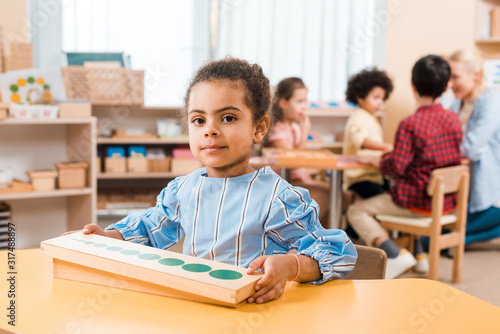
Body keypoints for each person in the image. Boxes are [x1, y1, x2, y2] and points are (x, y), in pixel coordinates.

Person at [65, 58, 357, 304]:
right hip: (199, 305)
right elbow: (147, 229)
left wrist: (291, 265)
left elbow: (338, 252)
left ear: (259, 127)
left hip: (255, 314)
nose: (210, 131)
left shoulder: (277, 197)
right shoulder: (184, 189)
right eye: (199, 120)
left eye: (228, 118)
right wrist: (107, 238)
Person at [347, 55, 462, 279]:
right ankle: (420, 260)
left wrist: (380, 161)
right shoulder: (453, 119)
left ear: (413, 86)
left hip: (416, 202)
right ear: (446, 86)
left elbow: (397, 168)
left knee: (356, 210)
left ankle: (394, 255)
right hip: (446, 203)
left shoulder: (410, 124)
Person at [448, 50, 500, 245]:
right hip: (462, 194)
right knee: (435, 233)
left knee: (429, 240)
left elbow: (471, 149)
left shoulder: (492, 101)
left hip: (490, 196)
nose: (450, 83)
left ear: (475, 75)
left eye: (455, 77)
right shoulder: (455, 105)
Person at [266, 77, 331, 225]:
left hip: (299, 180)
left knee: (338, 193)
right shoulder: (279, 130)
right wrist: (305, 132)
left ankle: (325, 232)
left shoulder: (294, 127)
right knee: (328, 193)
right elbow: (293, 161)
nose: (304, 106)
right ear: (283, 103)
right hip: (286, 184)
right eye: (300, 101)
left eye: (305, 101)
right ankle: (308, 233)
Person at [343, 68, 394, 199]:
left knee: (393, 191)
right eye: (376, 98)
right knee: (379, 196)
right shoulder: (358, 117)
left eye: (382, 99)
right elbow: (361, 141)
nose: (380, 102)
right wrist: (385, 147)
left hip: (375, 175)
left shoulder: (372, 117)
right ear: (360, 97)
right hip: (359, 177)